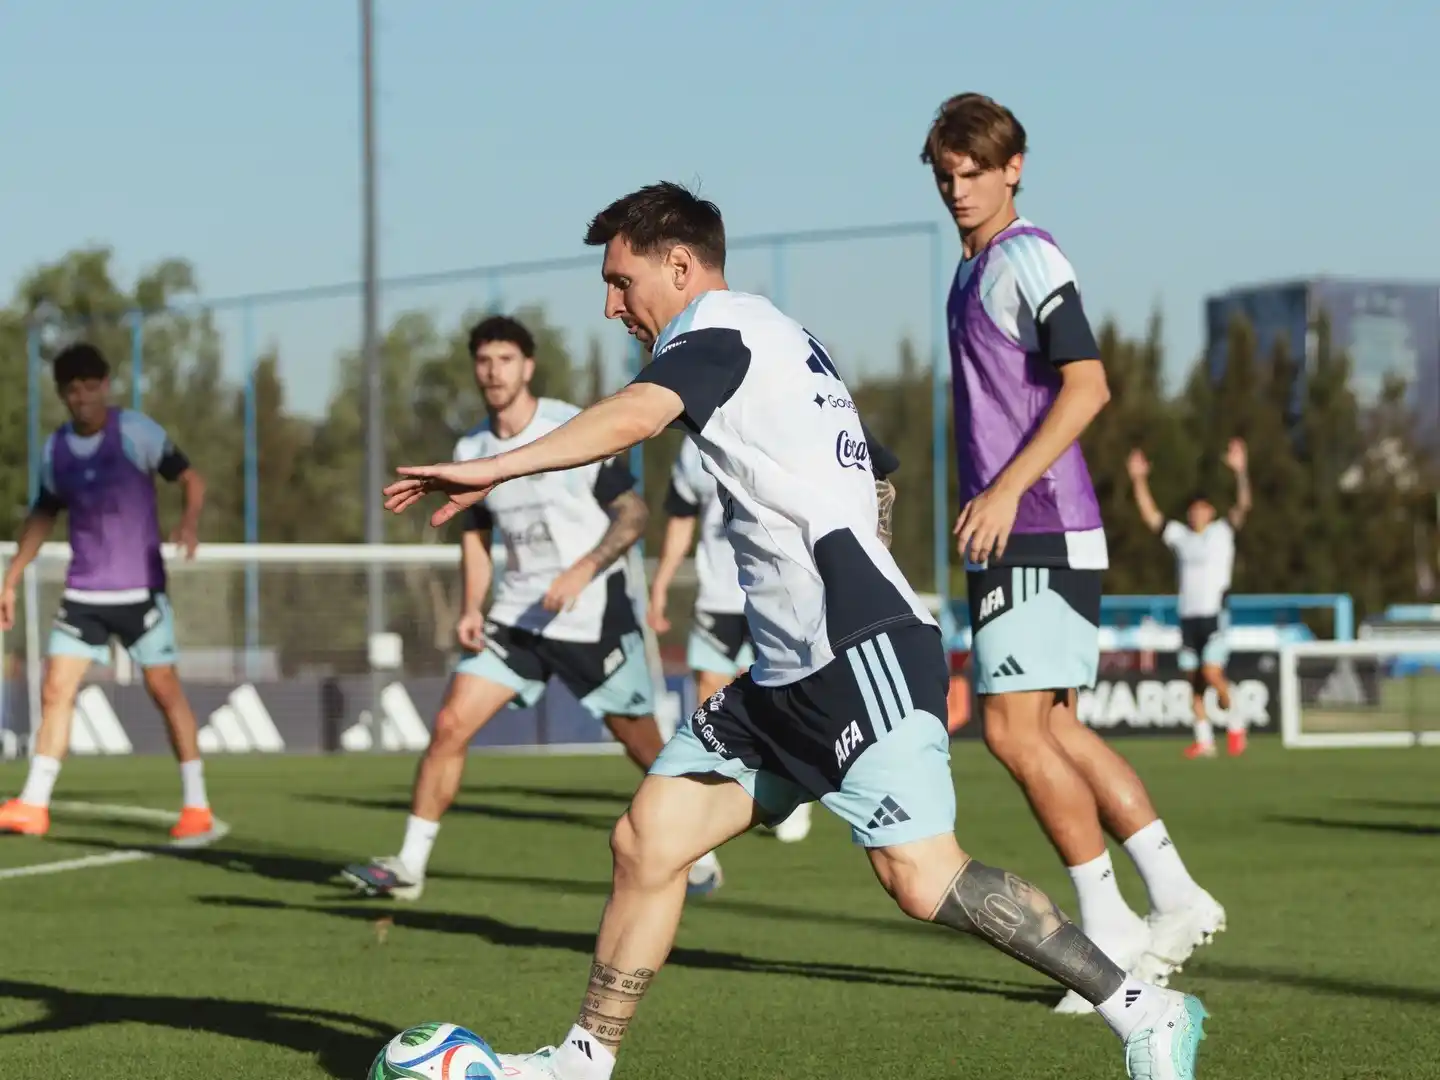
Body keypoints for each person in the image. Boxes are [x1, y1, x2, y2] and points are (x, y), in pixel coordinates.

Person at [381, 182, 1208, 1079]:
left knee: (923, 878)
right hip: (783, 673)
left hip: (859, 656)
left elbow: (635, 415)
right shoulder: (780, 337)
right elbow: (878, 474)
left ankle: (1143, 1009)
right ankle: (582, 1062)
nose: (612, 303)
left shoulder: (716, 334)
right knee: (648, 840)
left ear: (680, 265)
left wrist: (494, 470)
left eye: (622, 281)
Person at [923, 92, 1225, 1016]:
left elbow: (1088, 386)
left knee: (1014, 732)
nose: (959, 189)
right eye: (946, 176)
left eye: (974, 172)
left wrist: (1009, 489)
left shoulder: (1027, 258)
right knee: (1053, 729)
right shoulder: (972, 271)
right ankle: (1172, 895)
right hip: (1026, 529)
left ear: (1014, 168)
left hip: (1040, 524)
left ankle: (1111, 923)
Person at [340, 315, 724, 901]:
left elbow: (634, 515)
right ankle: (410, 865)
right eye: (483, 360)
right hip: (517, 618)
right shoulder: (470, 448)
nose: (493, 371)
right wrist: (472, 605)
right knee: (449, 725)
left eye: (505, 359)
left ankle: (700, 848)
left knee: (644, 747)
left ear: (528, 367)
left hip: (592, 617)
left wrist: (582, 569)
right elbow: (475, 534)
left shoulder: (569, 427)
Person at [648, 428, 902, 847]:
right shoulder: (692, 444)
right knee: (709, 685)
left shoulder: (777, 422)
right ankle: (717, 787)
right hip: (718, 593)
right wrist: (661, 583)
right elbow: (681, 517)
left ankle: (795, 782)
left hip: (779, 592)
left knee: (786, 689)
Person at [0, 342, 213, 840]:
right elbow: (42, 515)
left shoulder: (137, 432)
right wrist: (10, 579)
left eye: (90, 388)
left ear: (106, 387)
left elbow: (191, 479)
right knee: (55, 689)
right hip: (85, 596)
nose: (82, 399)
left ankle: (196, 804)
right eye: (71, 391)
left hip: (141, 594)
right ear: (61, 396)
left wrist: (188, 523)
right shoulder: (55, 450)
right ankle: (33, 804)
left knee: (165, 692)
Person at [1127, 439, 1251, 757]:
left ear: (1210, 511)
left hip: (1213, 614)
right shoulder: (1181, 537)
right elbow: (1152, 517)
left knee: (1211, 673)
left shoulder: (1222, 532)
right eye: (1192, 509)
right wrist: (1138, 479)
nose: (1196, 513)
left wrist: (1241, 472)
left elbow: (1243, 506)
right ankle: (1205, 739)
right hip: (1187, 615)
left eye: (1202, 508)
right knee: (1193, 679)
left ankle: (1236, 721)